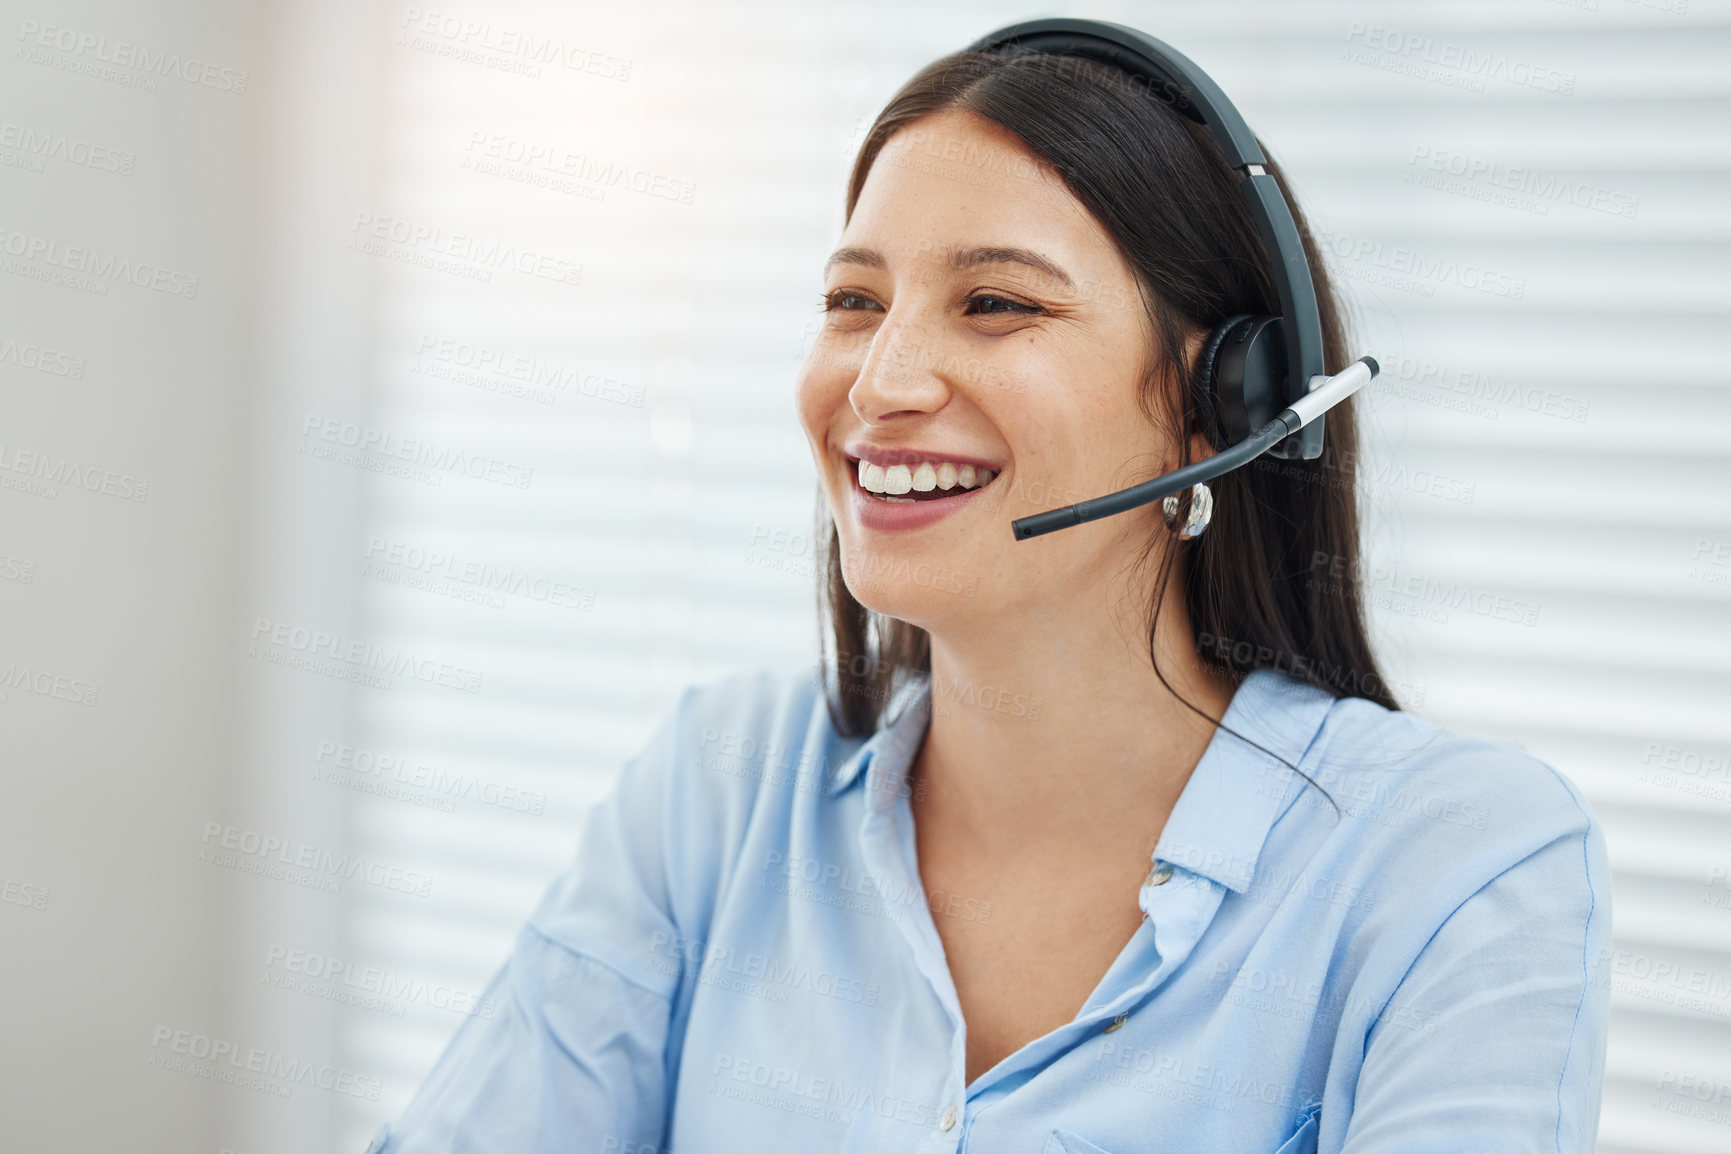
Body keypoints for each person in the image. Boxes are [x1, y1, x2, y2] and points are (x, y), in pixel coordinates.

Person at [370, 31, 1610, 1154]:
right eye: (855, 302)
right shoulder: (720, 788)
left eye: (996, 303)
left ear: (1216, 406)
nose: (882, 380)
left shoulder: (1457, 869)